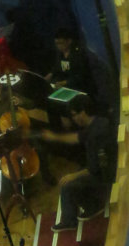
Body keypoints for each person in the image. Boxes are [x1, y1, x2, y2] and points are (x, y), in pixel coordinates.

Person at [42, 95, 117, 232]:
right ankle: (91, 204)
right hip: (104, 168)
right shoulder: (99, 123)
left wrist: (73, 176)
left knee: (68, 184)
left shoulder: (97, 134)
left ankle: (74, 218)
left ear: (83, 112)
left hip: (106, 175)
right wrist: (54, 137)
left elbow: (95, 168)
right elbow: (76, 138)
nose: (73, 119)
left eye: (75, 115)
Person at [0, 74, 56, 185]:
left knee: (40, 148)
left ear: (0, 86)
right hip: (4, 138)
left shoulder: (10, 95)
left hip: (20, 133)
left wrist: (21, 102)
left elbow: (31, 104)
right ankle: (17, 184)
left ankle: (47, 176)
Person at [46, 28, 112, 114]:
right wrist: (50, 75)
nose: (58, 46)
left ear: (69, 41)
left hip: (81, 86)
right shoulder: (60, 54)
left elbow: (81, 75)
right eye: (57, 44)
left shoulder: (78, 54)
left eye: (61, 43)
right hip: (69, 86)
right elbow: (56, 68)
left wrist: (65, 82)